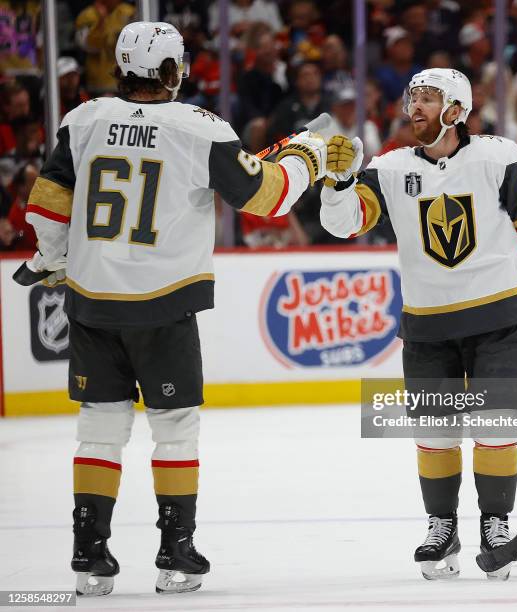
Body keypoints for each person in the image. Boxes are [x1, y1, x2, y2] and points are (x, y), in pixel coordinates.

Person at [21, 21, 326, 596]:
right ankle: (175, 552)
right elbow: (266, 197)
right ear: (169, 71)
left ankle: (89, 555)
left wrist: (52, 256)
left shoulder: (82, 119)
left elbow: (50, 200)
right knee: (176, 431)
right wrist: (308, 154)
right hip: (163, 306)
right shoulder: (199, 128)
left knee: (99, 431)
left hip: (93, 305)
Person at [319, 68, 517, 580]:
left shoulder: (497, 156)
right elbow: (343, 223)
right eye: (411, 98)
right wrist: (339, 182)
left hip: (495, 316)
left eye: (427, 99)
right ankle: (442, 526)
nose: (413, 107)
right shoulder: (390, 168)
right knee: (435, 433)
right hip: (427, 323)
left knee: (494, 426)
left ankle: (494, 524)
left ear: (456, 110)